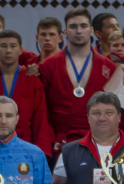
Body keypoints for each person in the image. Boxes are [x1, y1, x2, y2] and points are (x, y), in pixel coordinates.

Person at [39, 8, 118, 153]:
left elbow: (115, 110)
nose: (79, 31)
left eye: (83, 26)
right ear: (66, 32)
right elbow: (42, 112)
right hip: (60, 141)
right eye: (73, 26)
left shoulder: (108, 67)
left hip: (98, 140)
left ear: (92, 30)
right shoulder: (47, 66)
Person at [0, 29, 54, 156]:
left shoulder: (32, 80)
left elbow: (40, 120)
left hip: (25, 147)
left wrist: (41, 153)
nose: (8, 50)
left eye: (13, 46)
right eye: (3, 46)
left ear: (20, 50)